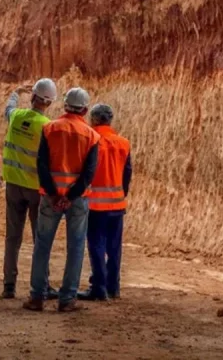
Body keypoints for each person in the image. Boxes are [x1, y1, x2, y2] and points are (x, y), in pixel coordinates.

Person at [23, 88, 100, 313]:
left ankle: (37, 297)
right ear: (85, 109)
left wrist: (55, 194)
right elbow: (88, 173)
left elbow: (42, 164)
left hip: (50, 197)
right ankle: (67, 299)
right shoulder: (91, 136)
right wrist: (70, 197)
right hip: (77, 200)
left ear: (65, 106)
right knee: (75, 248)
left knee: (42, 246)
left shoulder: (50, 128)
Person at [1, 79, 60, 300]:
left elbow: (8, 108)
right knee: (40, 238)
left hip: (13, 185)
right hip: (36, 189)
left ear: (32, 97)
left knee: (12, 237)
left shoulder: (16, 117)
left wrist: (16, 92)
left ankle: (9, 285)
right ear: (50, 103)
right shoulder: (48, 126)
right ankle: (42, 284)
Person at [79, 104, 132, 301]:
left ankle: (99, 288)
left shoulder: (91, 140)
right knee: (114, 247)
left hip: (94, 205)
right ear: (110, 120)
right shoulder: (123, 143)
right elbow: (127, 173)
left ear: (93, 119)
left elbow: (84, 171)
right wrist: (121, 194)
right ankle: (114, 287)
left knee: (96, 245)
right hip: (117, 205)